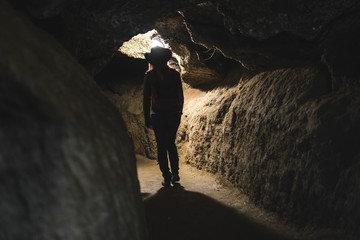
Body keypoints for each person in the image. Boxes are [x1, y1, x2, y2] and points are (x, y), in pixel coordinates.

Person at [143, 46, 184, 187]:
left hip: (158, 115)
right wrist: (180, 112)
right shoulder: (175, 74)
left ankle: (167, 177)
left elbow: (146, 99)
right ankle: (176, 174)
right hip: (174, 114)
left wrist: (147, 119)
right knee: (171, 144)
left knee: (161, 146)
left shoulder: (150, 76)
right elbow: (181, 95)